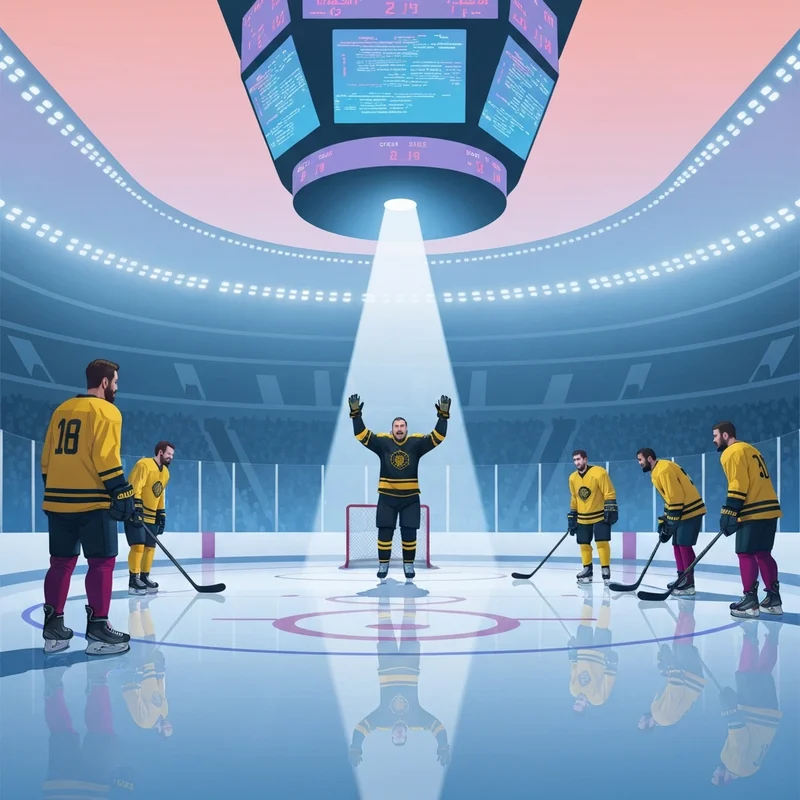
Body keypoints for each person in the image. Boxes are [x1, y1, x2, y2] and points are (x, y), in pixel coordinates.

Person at [41, 359, 134, 656]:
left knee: (61, 562)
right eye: (116, 382)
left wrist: (57, 487)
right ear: (105, 383)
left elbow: (46, 459)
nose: (117, 388)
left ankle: (53, 631)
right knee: (102, 562)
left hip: (57, 499)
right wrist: (122, 491)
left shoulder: (62, 409)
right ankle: (98, 631)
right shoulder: (107, 411)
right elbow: (105, 457)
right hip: (93, 501)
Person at [349, 393, 449, 580]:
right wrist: (356, 415)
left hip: (410, 498)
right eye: (397, 426)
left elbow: (438, 437)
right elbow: (361, 435)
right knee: (385, 531)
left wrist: (443, 417)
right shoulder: (383, 442)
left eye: (402, 426)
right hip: (387, 497)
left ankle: (409, 565)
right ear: (392, 429)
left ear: (407, 429)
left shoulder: (416, 443)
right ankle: (383, 564)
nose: (399, 429)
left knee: (409, 532)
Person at [349, 594, 450, 766]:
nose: (399, 735)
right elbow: (437, 727)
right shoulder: (417, 720)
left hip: (386, 664)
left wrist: (355, 747)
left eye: (396, 738)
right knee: (409, 623)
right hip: (410, 663)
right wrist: (442, 746)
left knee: (384, 623)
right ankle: (409, 589)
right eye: (402, 738)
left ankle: (383, 593)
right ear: (406, 735)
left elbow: (361, 728)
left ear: (391, 735)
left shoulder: (382, 721)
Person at [713, 422, 783, 618]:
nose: (714, 440)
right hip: (770, 509)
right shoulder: (751, 449)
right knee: (763, 553)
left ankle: (750, 602)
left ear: (726, 435)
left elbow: (738, 482)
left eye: (716, 435)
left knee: (745, 553)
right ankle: (773, 600)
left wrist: (730, 511)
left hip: (752, 510)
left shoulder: (731, 452)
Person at [712, 622, 782, 785]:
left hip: (769, 716)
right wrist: (729, 711)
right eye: (715, 777)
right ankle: (750, 632)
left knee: (763, 673)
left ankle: (773, 633)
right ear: (726, 778)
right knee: (745, 673)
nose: (714, 773)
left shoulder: (749, 770)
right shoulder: (732, 765)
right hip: (754, 714)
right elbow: (740, 738)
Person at [637, 448, 706, 596]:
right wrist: (665, 519)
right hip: (682, 511)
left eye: (640, 460)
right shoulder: (657, 471)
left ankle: (688, 583)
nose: (639, 463)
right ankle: (681, 578)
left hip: (689, 511)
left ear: (649, 458)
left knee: (683, 545)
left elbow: (675, 497)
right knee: (677, 545)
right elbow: (669, 498)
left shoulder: (663, 470)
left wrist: (671, 521)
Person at [638, 600, 706, 731]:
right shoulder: (661, 717)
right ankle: (688, 608)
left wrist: (665, 669)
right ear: (650, 725)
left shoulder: (657, 712)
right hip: (689, 679)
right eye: (642, 722)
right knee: (683, 645)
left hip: (686, 677)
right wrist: (671, 666)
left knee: (678, 644)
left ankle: (684, 610)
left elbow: (669, 689)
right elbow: (676, 692)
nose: (640, 718)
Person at [125, 441, 174, 595]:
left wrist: (162, 513)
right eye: (169, 454)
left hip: (152, 516)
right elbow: (135, 486)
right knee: (138, 546)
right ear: (160, 452)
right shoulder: (144, 464)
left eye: (172, 455)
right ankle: (134, 579)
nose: (171, 457)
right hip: (135, 511)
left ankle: (144, 577)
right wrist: (137, 507)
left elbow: (160, 494)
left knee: (150, 547)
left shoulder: (165, 473)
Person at [567, 450, 618, 585]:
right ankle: (587, 570)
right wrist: (572, 513)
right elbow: (574, 496)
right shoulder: (572, 478)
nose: (577, 462)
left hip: (600, 515)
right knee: (584, 544)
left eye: (579, 459)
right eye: (574, 460)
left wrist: (611, 506)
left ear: (585, 459)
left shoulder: (599, 473)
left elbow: (609, 491)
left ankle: (605, 570)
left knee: (602, 542)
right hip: (582, 517)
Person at [568, 588, 617, 713]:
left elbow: (574, 669)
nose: (578, 699)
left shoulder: (573, 690)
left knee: (584, 624)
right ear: (587, 705)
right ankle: (606, 600)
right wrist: (612, 667)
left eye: (576, 702)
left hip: (582, 652)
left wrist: (572, 653)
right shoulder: (597, 699)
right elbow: (608, 682)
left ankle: (588, 599)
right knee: (602, 627)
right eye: (580, 703)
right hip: (600, 656)